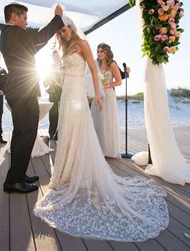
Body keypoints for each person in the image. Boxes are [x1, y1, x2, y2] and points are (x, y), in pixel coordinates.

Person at [33, 15, 169, 241]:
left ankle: (78, 172)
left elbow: (94, 73)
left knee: (80, 130)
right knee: (66, 131)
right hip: (67, 93)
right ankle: (65, 174)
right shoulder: (64, 48)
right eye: (61, 30)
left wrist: (97, 94)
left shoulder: (83, 44)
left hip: (79, 92)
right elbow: (65, 71)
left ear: (72, 27)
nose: (64, 32)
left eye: (66, 28)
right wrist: (58, 75)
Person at [0, 2, 64, 194]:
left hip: (19, 91)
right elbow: (40, 37)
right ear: (13, 17)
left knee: (21, 134)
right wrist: (57, 18)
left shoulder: (10, 35)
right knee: (26, 133)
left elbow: (35, 42)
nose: (27, 22)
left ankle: (17, 175)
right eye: (25, 18)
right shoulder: (13, 33)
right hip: (22, 92)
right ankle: (13, 181)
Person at [91, 43, 122, 158]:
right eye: (98, 51)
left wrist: (107, 85)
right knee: (96, 120)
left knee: (106, 121)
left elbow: (119, 81)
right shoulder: (95, 64)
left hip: (108, 96)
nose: (99, 54)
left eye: (101, 51)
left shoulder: (112, 64)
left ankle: (107, 150)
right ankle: (97, 149)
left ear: (107, 52)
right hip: (97, 95)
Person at [43, 50, 63, 142]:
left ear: (60, 56)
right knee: (53, 114)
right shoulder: (49, 68)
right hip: (52, 93)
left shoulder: (64, 66)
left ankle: (60, 134)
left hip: (63, 92)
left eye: (57, 56)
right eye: (54, 56)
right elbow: (45, 83)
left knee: (62, 113)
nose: (56, 58)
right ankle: (51, 133)